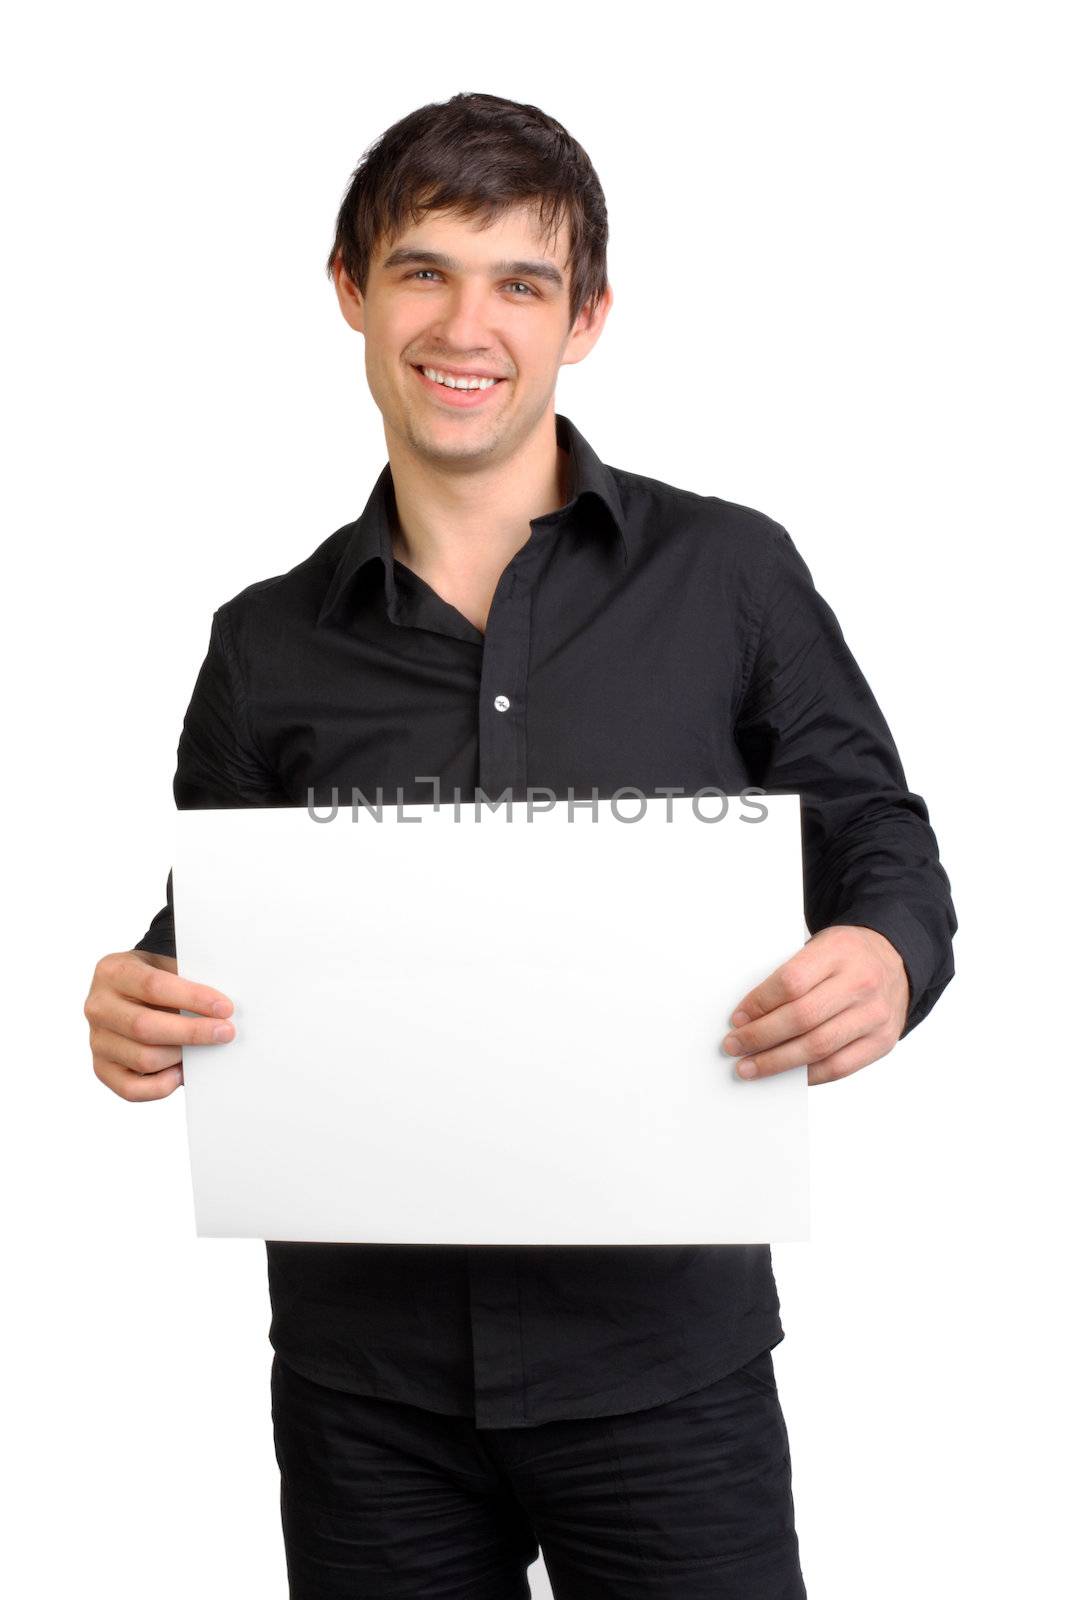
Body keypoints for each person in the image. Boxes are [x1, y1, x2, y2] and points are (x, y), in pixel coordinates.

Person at [84, 91, 957, 1598]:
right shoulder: (261, 643)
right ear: (353, 291)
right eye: (422, 269)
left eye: (522, 282)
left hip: (666, 1367)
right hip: (367, 1390)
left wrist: (885, 950)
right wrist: (142, 996)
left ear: (588, 317)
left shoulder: (729, 574)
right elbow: (216, 930)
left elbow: (875, 828)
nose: (465, 323)